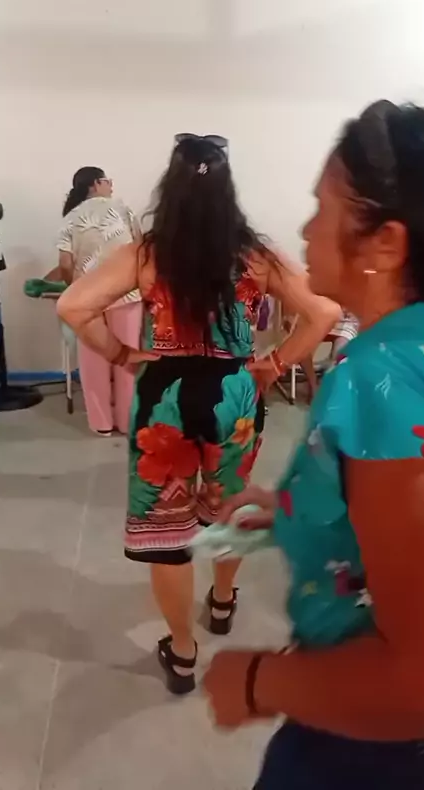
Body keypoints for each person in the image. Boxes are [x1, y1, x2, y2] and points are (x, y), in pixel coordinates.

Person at [204, 102, 424, 789]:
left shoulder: (377, 377)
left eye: (322, 209)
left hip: (390, 752)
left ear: (385, 244)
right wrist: (301, 510)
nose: (305, 229)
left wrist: (256, 680)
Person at [57, 136, 340, 695]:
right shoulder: (255, 255)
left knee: (167, 530)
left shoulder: (147, 253)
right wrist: (273, 363)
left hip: (164, 396)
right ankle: (224, 599)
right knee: (228, 506)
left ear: (172, 188)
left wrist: (122, 355)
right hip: (235, 394)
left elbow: (73, 305)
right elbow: (324, 311)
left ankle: (183, 652)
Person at [57, 166, 142, 435]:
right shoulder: (123, 209)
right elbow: (140, 251)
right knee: (127, 358)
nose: (111, 185)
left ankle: (101, 423)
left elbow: (65, 263)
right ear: (95, 183)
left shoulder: (71, 217)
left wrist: (75, 287)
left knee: (93, 362)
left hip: (87, 299)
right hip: (125, 294)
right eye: (107, 180)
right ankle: (127, 422)